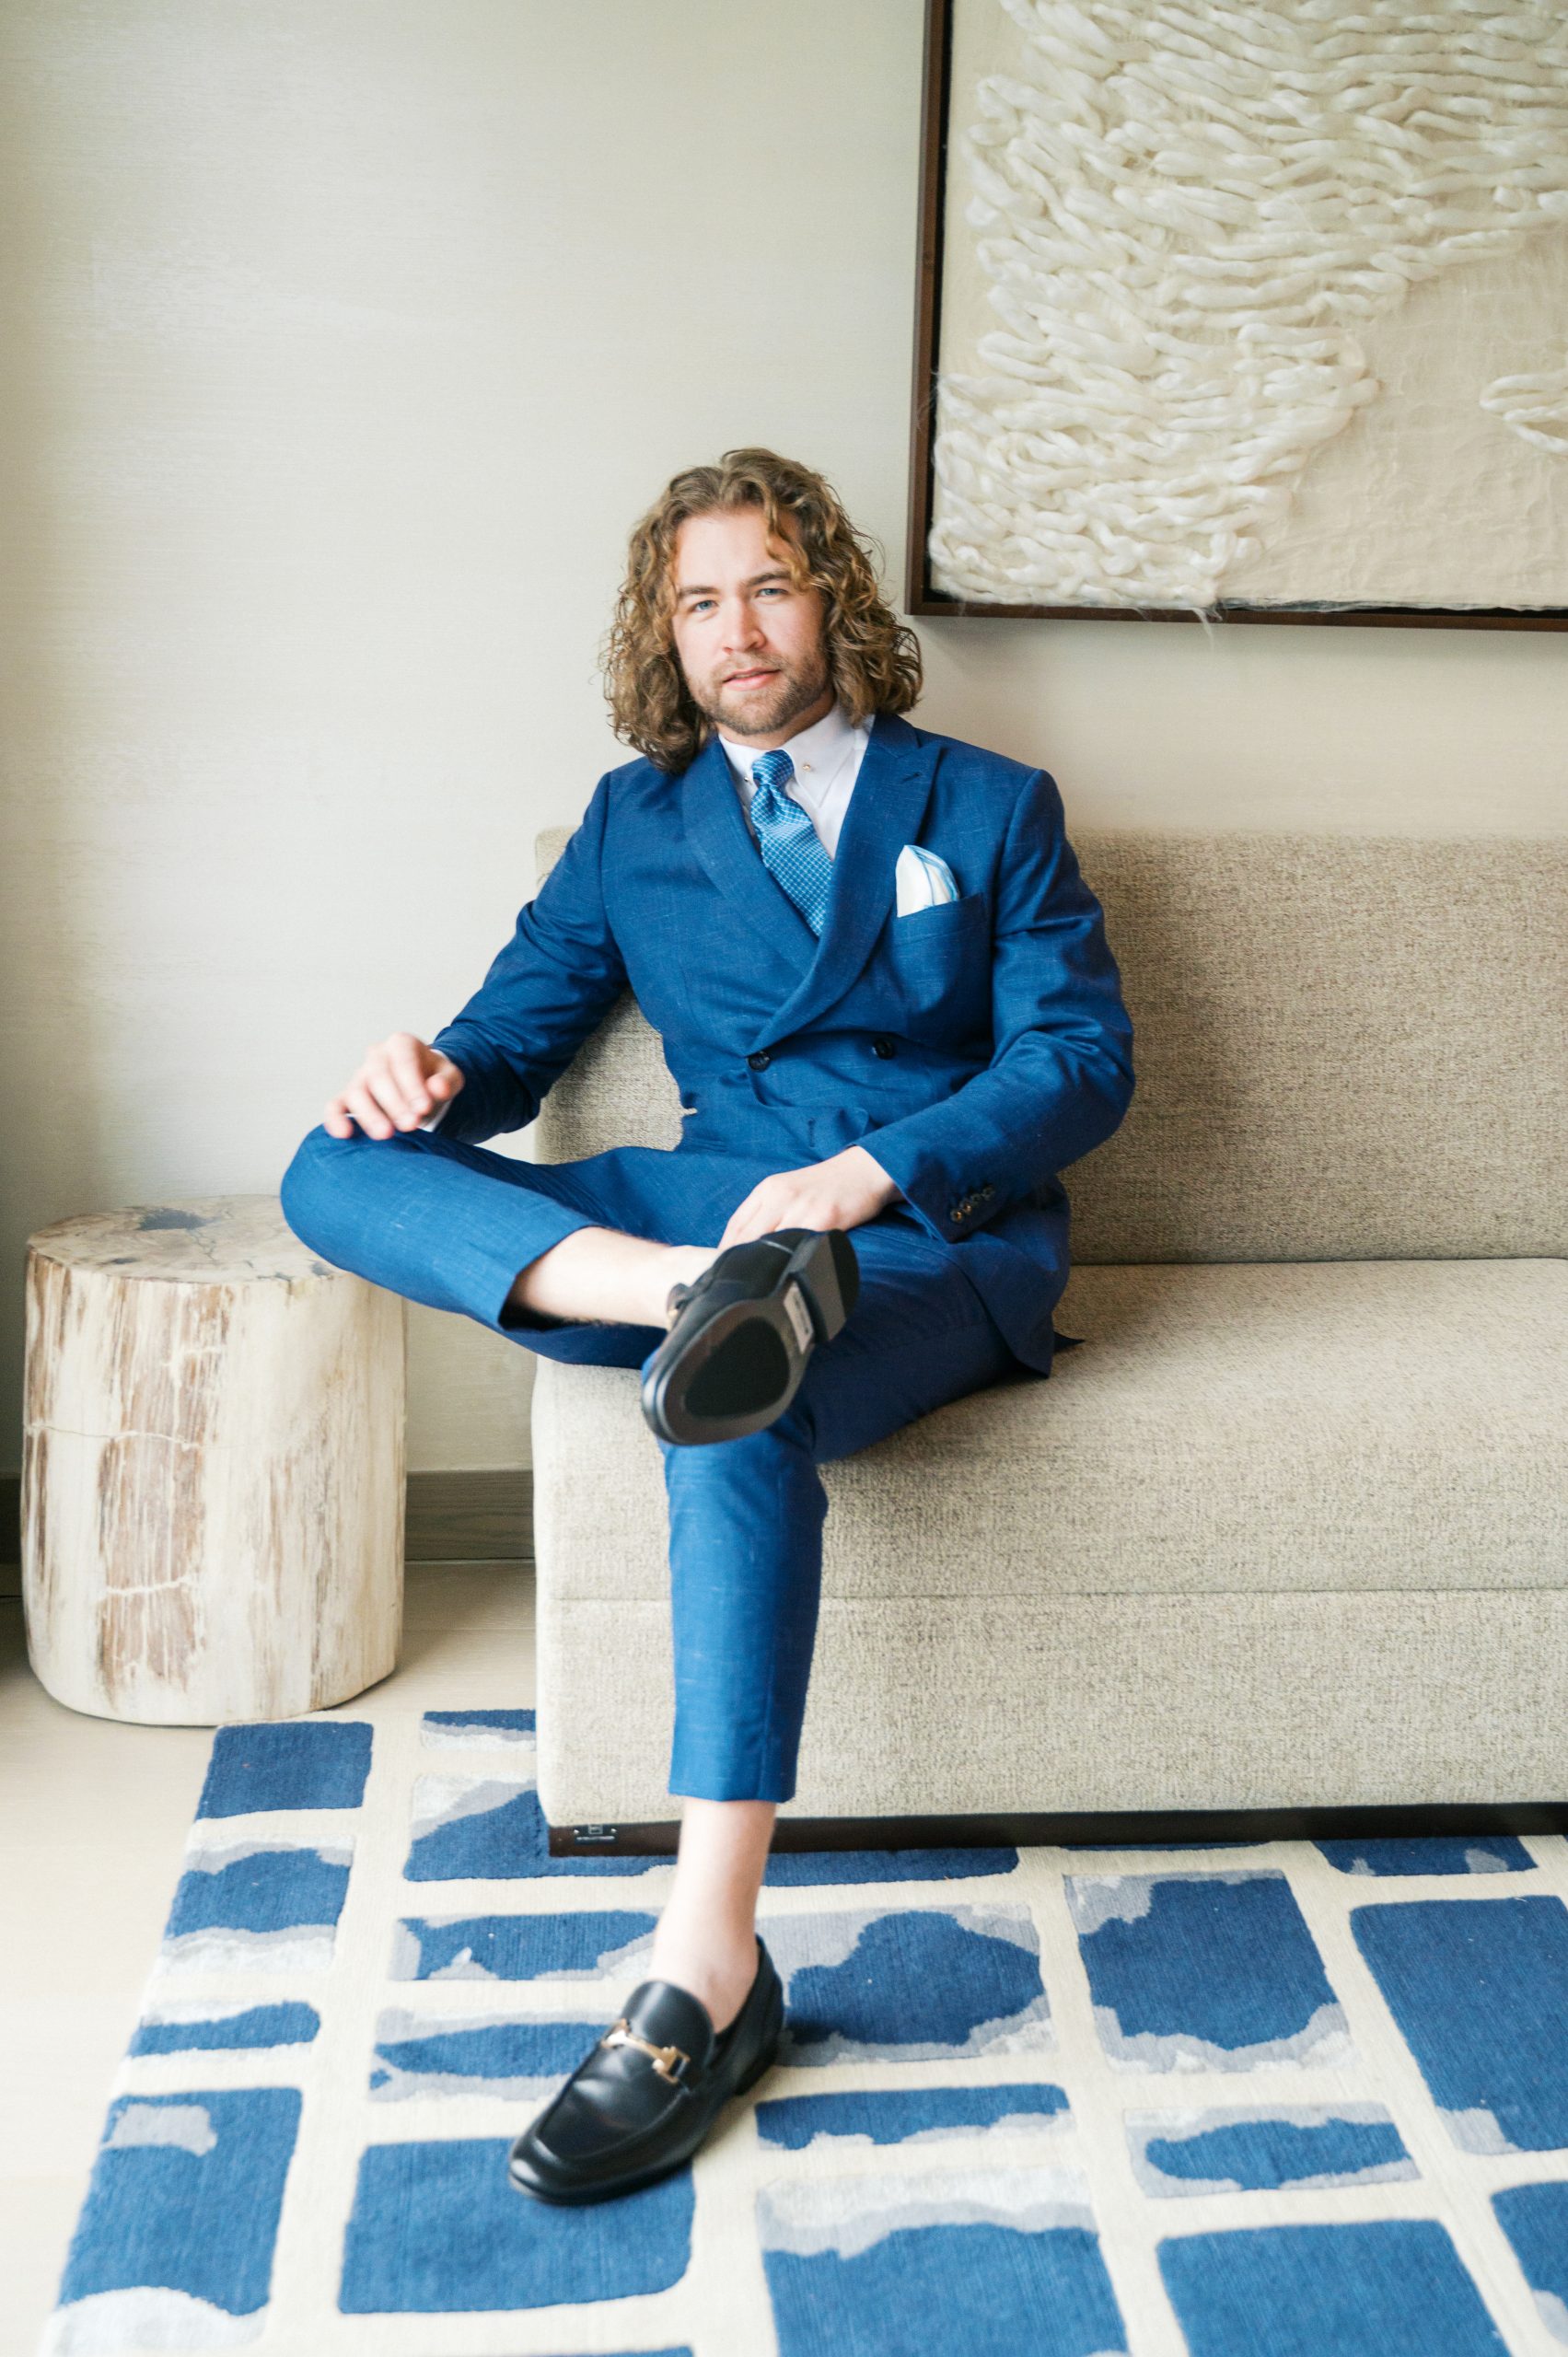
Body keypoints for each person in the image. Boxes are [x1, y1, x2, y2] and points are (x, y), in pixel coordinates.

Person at [278, 447, 1134, 2205]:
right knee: (330, 1164)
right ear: (662, 635)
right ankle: (690, 1301)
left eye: (768, 587)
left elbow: (1079, 1062)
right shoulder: (634, 822)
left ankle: (706, 1964)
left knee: (738, 1398)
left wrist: (863, 1176)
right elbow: (503, 1051)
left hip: (912, 1236)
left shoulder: (987, 805)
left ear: (831, 600)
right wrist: (422, 1075)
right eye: (697, 603)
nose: (736, 631)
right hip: (695, 1228)